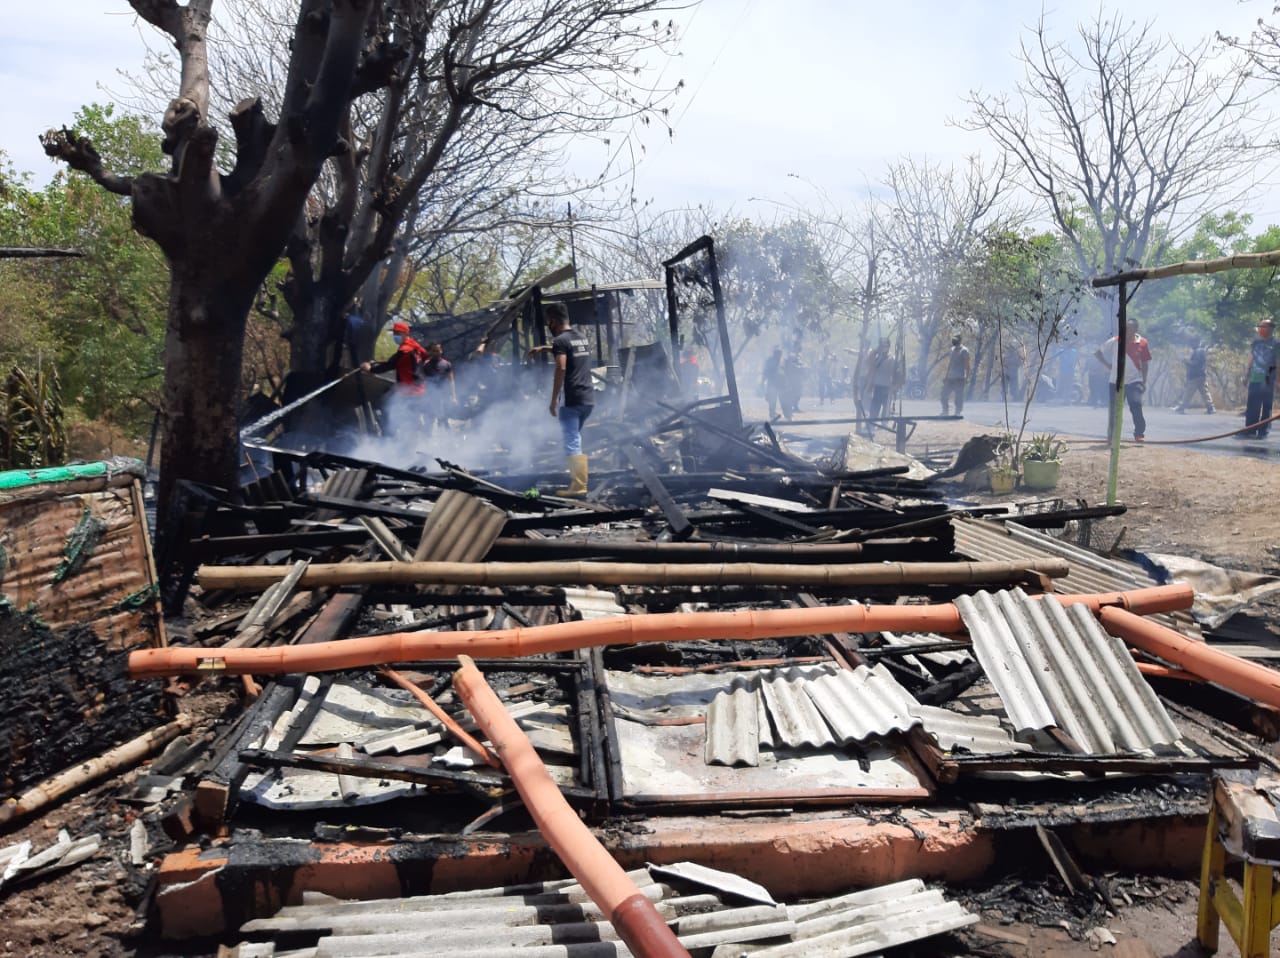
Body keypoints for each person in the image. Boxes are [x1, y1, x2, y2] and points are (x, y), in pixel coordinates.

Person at [529, 303, 594, 495]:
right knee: (575, 438)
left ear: (554, 321)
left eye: (548, 322)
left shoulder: (560, 340)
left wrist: (553, 400)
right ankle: (577, 480)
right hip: (588, 398)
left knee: (571, 441)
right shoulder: (581, 337)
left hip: (571, 399)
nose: (548, 325)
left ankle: (579, 486)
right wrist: (545, 348)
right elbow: (567, 350)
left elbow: (561, 367)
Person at [360, 320, 429, 433]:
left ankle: (390, 435)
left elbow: (390, 365)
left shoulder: (405, 350)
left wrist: (370, 369)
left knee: (385, 406)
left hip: (409, 391)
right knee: (411, 417)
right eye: (394, 333)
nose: (395, 336)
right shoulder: (415, 346)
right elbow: (423, 356)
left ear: (405, 333)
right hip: (419, 388)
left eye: (398, 333)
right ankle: (414, 432)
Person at [1094, 320, 1152, 442]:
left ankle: (1139, 433)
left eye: (1130, 328)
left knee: (1136, 404)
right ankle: (1112, 435)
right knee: (1114, 409)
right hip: (1115, 381)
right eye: (1125, 328)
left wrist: (1144, 381)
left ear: (1135, 329)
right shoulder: (1115, 340)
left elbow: (1145, 363)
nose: (1127, 330)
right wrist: (1107, 365)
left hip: (1134, 380)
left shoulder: (1142, 342)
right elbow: (1098, 353)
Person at [1242, 318, 1279, 438]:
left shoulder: (1276, 344)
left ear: (1270, 329)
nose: (1260, 329)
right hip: (1255, 378)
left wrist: (1278, 381)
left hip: (1268, 379)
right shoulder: (1256, 342)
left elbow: (1278, 363)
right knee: (1252, 405)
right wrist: (1246, 375)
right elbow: (1251, 358)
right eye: (1260, 327)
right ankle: (1250, 430)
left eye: (1263, 327)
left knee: (1266, 406)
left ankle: (1263, 431)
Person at [421, 342, 457, 433]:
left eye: (438, 350)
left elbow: (451, 381)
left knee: (443, 417)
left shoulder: (446, 364)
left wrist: (453, 396)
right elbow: (423, 381)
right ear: (431, 352)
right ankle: (427, 437)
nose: (436, 353)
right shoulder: (426, 365)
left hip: (443, 395)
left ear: (441, 351)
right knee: (429, 418)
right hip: (430, 396)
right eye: (434, 351)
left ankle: (445, 436)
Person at [1172, 340, 1215, 414]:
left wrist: (1186, 361)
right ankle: (1210, 408)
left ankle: (1181, 408)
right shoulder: (1201, 351)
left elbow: (1195, 363)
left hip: (1195, 376)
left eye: (1192, 343)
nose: (1191, 345)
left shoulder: (1198, 351)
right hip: (1201, 375)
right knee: (1205, 393)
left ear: (1196, 343)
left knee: (1188, 393)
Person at [865, 339, 896, 436]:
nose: (884, 348)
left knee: (886, 406)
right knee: (875, 406)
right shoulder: (877, 357)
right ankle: (872, 423)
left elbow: (893, 371)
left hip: (887, 385)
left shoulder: (892, 358)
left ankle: (884, 423)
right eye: (882, 346)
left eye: (885, 346)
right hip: (878, 385)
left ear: (888, 347)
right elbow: (869, 364)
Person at [939, 334, 971, 416]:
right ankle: (945, 411)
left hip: (959, 377)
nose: (954, 341)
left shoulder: (964, 351)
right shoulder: (952, 350)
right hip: (950, 377)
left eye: (956, 339)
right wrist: (946, 376)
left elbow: (967, 365)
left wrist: (967, 377)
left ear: (960, 340)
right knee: (943, 395)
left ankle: (958, 412)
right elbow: (950, 364)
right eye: (953, 339)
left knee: (958, 396)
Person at [762, 346, 784, 420]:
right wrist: (763, 381)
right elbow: (766, 372)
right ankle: (772, 413)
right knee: (772, 399)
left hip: (779, 383)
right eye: (778, 354)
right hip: (772, 383)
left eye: (780, 354)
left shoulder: (780, 361)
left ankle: (775, 413)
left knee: (779, 398)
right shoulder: (771, 361)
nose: (780, 356)